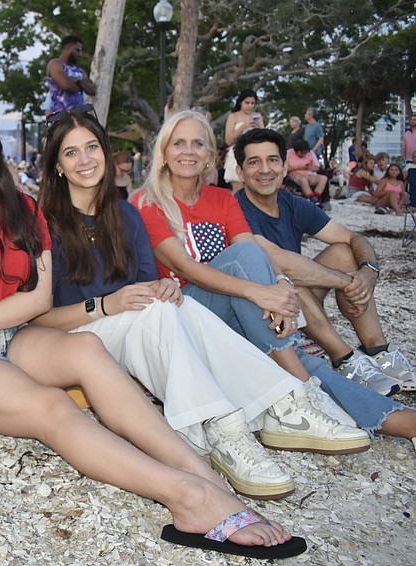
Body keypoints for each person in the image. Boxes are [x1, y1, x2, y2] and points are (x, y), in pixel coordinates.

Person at [0, 86, 306, 560]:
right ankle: (188, 499)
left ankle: (207, 478)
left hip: (8, 333)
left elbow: (36, 298)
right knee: (52, 406)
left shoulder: (20, 207)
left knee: (88, 350)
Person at [33, 109, 369, 501]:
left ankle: (280, 405)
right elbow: (36, 320)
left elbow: (148, 285)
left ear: (105, 153)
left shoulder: (124, 214)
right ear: (57, 165)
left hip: (134, 329)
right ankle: (220, 428)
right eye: (71, 152)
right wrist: (103, 305)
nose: (85, 159)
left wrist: (165, 286)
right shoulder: (42, 222)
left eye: (92, 147)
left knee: (180, 305)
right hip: (79, 336)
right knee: (160, 310)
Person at [134, 109, 416, 440]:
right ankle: (303, 393)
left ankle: (399, 421)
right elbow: (187, 268)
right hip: (186, 314)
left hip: (235, 312)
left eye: (198, 143)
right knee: (251, 270)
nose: (189, 151)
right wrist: (260, 292)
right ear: (164, 152)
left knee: (306, 362)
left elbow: (253, 248)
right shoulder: (147, 202)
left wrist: (280, 286)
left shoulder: (222, 198)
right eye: (179, 143)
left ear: (210, 154)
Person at [234, 128, 416, 394]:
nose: (265, 169)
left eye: (272, 160)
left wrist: (368, 271)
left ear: (285, 167)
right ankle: (344, 359)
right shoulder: (235, 209)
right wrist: (348, 281)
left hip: (299, 304)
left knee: (343, 251)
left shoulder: (292, 203)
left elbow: (353, 237)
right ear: (240, 172)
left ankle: (378, 350)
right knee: (287, 276)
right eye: (254, 162)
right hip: (261, 311)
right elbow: (279, 260)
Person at [223, 90, 264, 192]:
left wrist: (259, 128)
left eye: (252, 103)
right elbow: (228, 140)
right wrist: (243, 127)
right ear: (241, 102)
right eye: (247, 103)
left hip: (255, 153)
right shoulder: (233, 116)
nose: (250, 106)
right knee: (238, 189)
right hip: (237, 152)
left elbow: (264, 138)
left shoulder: (257, 116)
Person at [46, 35, 97, 114]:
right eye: (77, 50)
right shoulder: (55, 64)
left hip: (79, 116)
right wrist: (82, 87)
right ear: (68, 47)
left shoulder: (81, 71)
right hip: (60, 116)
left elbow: (92, 91)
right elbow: (66, 86)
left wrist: (77, 81)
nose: (80, 54)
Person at [285, 139, 327, 205]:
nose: (304, 155)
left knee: (323, 178)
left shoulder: (310, 153)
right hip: (294, 174)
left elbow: (317, 167)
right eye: (302, 153)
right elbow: (285, 169)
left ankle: (316, 197)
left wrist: (310, 167)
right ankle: (311, 198)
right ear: (297, 151)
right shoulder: (288, 153)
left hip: (308, 174)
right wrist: (298, 167)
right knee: (303, 180)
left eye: (305, 153)